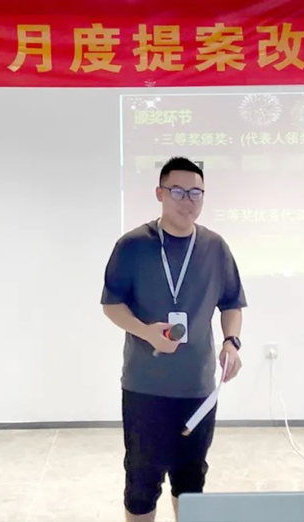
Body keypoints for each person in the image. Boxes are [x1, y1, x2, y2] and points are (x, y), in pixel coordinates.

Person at [101, 156, 247, 522]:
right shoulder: (133, 245)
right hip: (144, 386)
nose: (188, 200)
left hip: (197, 388)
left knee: (191, 481)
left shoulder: (215, 247)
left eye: (196, 192)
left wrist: (231, 341)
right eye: (178, 191)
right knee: (141, 483)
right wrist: (145, 332)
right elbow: (111, 305)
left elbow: (231, 303)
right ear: (160, 194)